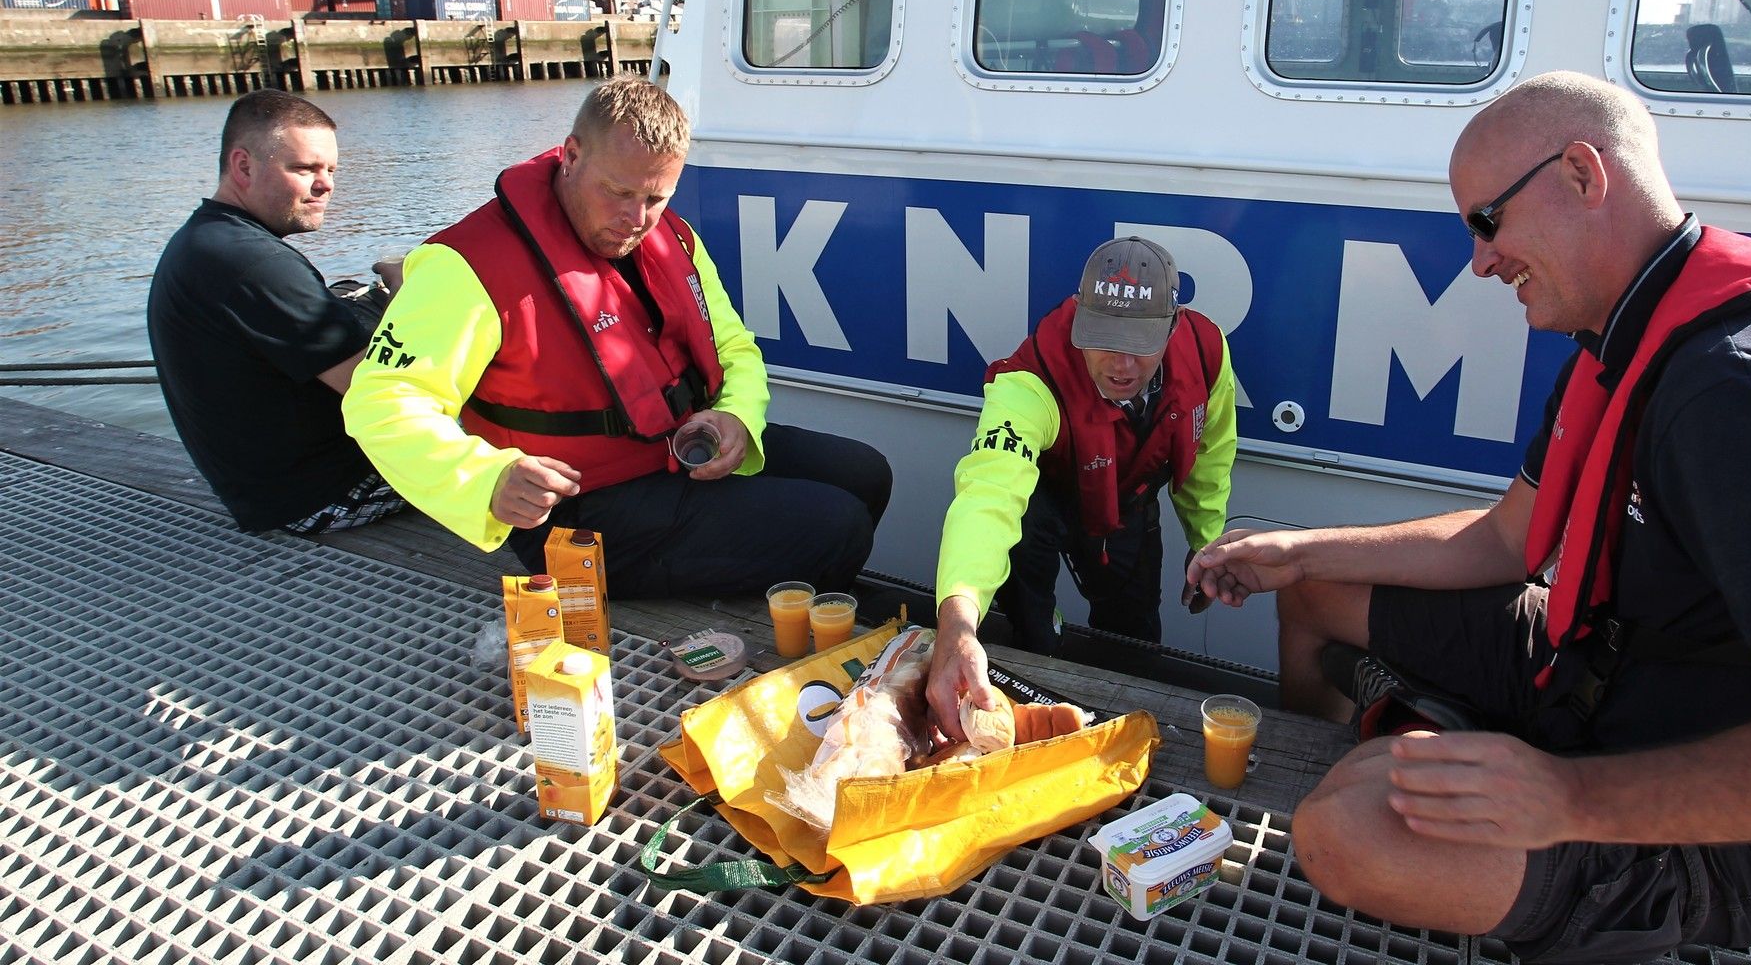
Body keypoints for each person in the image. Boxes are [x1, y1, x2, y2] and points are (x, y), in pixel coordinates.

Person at [1189, 72, 1751, 963]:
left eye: (1487, 222)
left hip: (1733, 824)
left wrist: (1571, 801)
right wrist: (1297, 553)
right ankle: (1438, 753)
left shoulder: (1741, 393)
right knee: (1318, 596)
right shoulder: (1629, 338)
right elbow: (1509, 540)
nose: (1481, 262)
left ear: (1582, 172)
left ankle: (1444, 767)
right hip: (1602, 668)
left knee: (1346, 831)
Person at [342, 76, 890, 599]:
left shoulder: (674, 237)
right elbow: (381, 403)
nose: (636, 218)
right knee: (836, 528)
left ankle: (802, 584)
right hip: (574, 512)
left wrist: (738, 417)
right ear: (571, 155)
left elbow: (734, 348)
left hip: (676, 455)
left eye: (655, 199)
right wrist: (486, 478)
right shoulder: (467, 264)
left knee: (864, 474)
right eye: (618, 192)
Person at [927, 236, 1237, 737]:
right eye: (1104, 340)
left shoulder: (1206, 350)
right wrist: (957, 620)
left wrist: (1207, 540)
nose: (1121, 365)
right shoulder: (1029, 382)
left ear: (1172, 328)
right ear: (1078, 321)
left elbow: (1211, 450)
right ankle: (1030, 711)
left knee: (1134, 638)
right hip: (1041, 507)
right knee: (1030, 629)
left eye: (1140, 347)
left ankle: (1132, 733)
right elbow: (988, 496)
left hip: (1129, 499)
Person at [148, 89, 406, 536]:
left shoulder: (206, 240)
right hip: (329, 496)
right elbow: (385, 393)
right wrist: (407, 294)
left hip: (268, 487)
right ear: (243, 166)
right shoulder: (253, 264)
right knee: (547, 466)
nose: (326, 184)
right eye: (304, 168)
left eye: (330, 169)